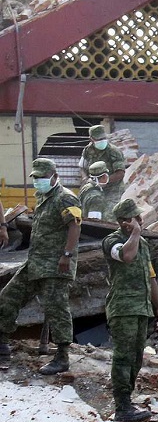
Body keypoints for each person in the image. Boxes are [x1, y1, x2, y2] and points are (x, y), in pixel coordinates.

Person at [0, 159, 81, 373]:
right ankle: (2, 344)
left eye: (42, 178)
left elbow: (75, 227)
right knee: (8, 297)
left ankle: (62, 357)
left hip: (56, 264)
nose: (38, 181)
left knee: (57, 308)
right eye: (35, 178)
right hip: (36, 261)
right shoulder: (43, 196)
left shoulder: (65, 198)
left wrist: (67, 255)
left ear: (54, 176)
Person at [103, 199, 158, 422]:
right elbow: (126, 256)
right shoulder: (111, 241)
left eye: (139, 217)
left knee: (136, 357)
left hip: (142, 308)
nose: (140, 220)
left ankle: (127, 402)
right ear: (124, 222)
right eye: (135, 218)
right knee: (123, 357)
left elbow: (150, 278)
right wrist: (136, 233)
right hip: (123, 308)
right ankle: (122, 407)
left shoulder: (144, 245)